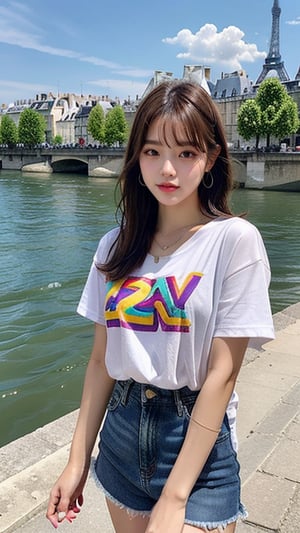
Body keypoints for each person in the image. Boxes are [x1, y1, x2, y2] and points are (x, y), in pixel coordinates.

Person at [46, 80, 274, 533]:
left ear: (210, 158)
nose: (167, 169)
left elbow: (222, 375)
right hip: (121, 436)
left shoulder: (233, 241)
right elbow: (100, 363)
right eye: (152, 152)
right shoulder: (115, 245)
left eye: (186, 153)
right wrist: (77, 460)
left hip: (198, 447)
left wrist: (175, 496)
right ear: (136, 158)